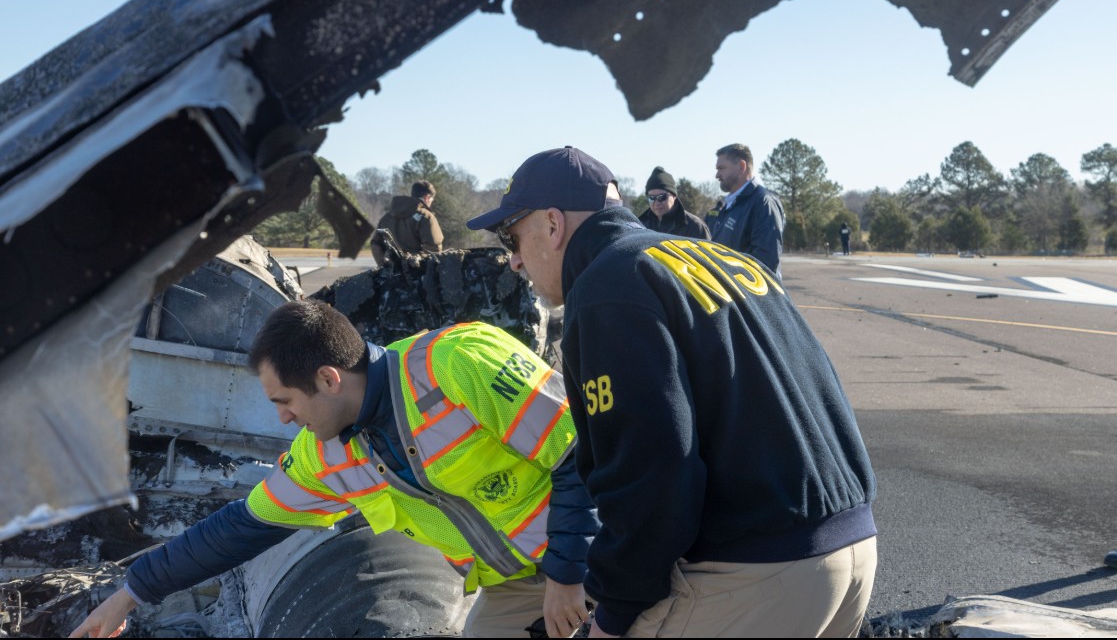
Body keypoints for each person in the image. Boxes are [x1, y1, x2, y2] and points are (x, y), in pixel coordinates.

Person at [468, 146, 877, 638]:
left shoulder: (607, 286)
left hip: (756, 571)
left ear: (552, 225)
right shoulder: (719, 256)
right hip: (852, 547)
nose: (512, 260)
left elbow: (651, 469)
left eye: (512, 237)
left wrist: (614, 613)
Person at [70, 300, 596, 639]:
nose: (281, 417)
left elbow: (585, 455)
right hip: (522, 581)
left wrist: (570, 575)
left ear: (328, 379)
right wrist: (128, 596)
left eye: (285, 400)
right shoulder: (323, 456)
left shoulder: (458, 365)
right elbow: (236, 530)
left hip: (605, 549)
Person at [706, 143, 785, 277]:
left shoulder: (764, 202)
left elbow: (766, 262)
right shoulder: (729, 205)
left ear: (741, 166)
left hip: (750, 295)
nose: (717, 175)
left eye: (721, 168)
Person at [374, 180, 444, 263]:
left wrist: (383, 265)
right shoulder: (426, 216)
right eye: (432, 200)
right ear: (427, 197)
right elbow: (434, 248)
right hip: (418, 272)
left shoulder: (387, 217)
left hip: (391, 272)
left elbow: (376, 243)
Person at [637, 166, 710, 239]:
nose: (656, 203)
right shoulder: (639, 226)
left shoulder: (695, 227)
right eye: (651, 198)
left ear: (674, 196)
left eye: (661, 197)